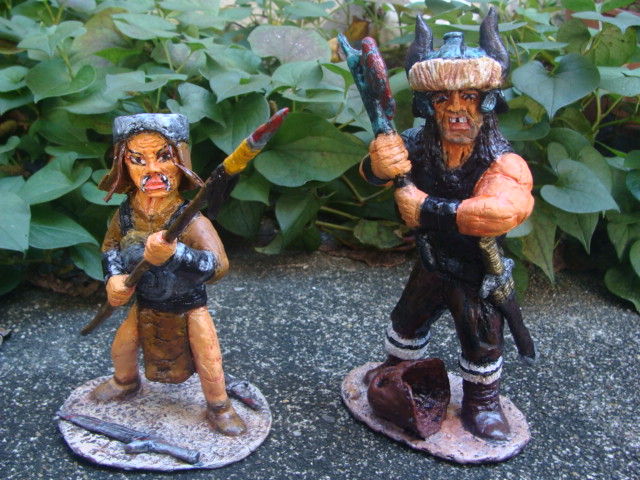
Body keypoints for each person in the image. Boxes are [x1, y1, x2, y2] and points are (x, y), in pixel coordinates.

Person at [361, 11, 534, 441]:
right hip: (430, 260)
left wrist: (426, 209)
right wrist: (377, 165)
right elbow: (374, 172)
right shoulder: (417, 144)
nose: (456, 109)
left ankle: (482, 401)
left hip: (475, 268)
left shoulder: (501, 160)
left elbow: (502, 211)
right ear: (428, 106)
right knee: (407, 321)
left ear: (487, 102)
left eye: (469, 97)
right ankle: (396, 372)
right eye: (442, 99)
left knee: (481, 335)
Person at [91, 113, 245, 436]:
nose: (152, 169)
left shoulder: (191, 219)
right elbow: (110, 248)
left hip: (189, 307)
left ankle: (219, 405)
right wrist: (113, 277)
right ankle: (125, 381)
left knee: (208, 357)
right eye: (138, 159)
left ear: (181, 161)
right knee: (122, 346)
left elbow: (218, 266)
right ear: (123, 165)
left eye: (163, 157)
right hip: (144, 303)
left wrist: (177, 255)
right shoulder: (125, 215)